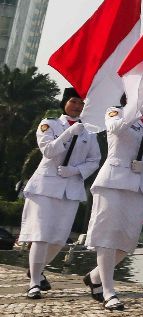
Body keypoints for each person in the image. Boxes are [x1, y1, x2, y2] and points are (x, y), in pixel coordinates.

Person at [82, 93, 143, 310]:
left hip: (139, 184)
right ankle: (108, 290)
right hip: (114, 180)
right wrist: (139, 109)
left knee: (128, 241)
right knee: (108, 236)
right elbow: (115, 128)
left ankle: (95, 276)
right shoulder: (116, 110)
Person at [19, 87, 101, 299]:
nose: (77, 106)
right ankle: (34, 282)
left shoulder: (89, 132)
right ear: (65, 102)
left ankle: (35, 269)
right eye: (74, 101)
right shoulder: (50, 124)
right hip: (45, 187)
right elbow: (48, 150)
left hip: (70, 188)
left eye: (82, 104)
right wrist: (67, 133)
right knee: (40, 236)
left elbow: (94, 160)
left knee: (58, 240)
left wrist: (76, 170)